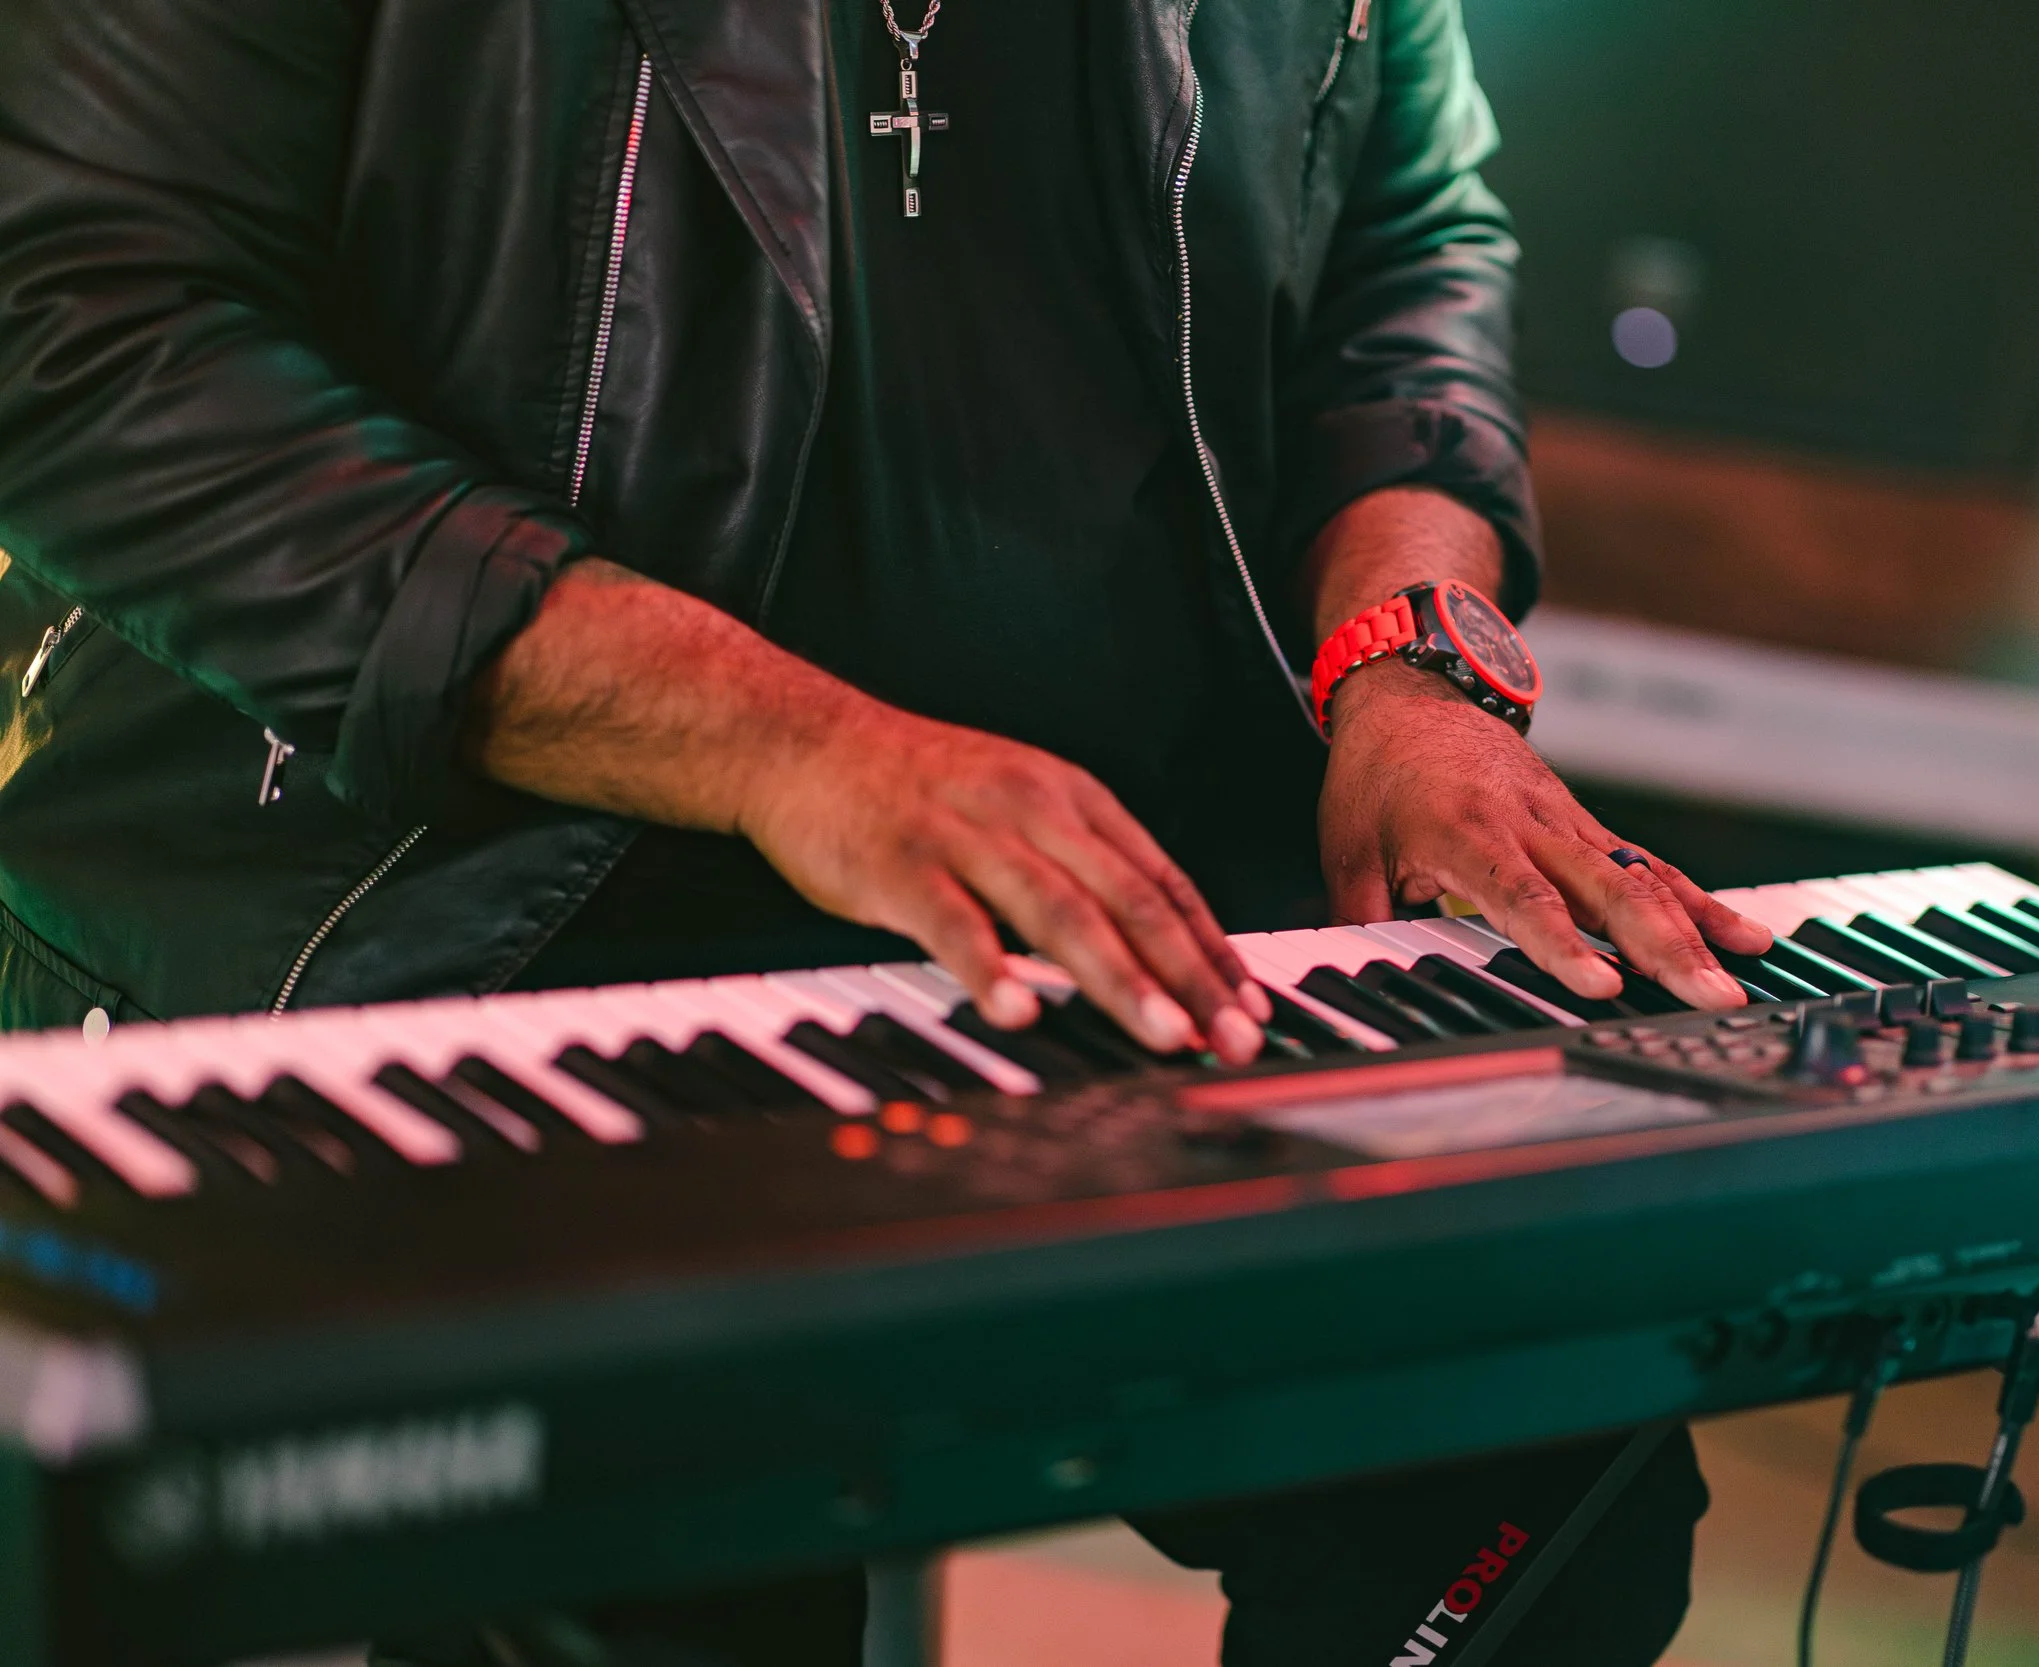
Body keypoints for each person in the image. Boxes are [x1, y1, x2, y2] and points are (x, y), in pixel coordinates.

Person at [0, 0, 1773, 1660]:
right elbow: (77, 333)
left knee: (1543, 1472)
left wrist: (1414, 670)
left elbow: (1407, 248)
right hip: (496, 915)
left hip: (1152, 928)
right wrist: (798, 748)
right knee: (681, 1538)